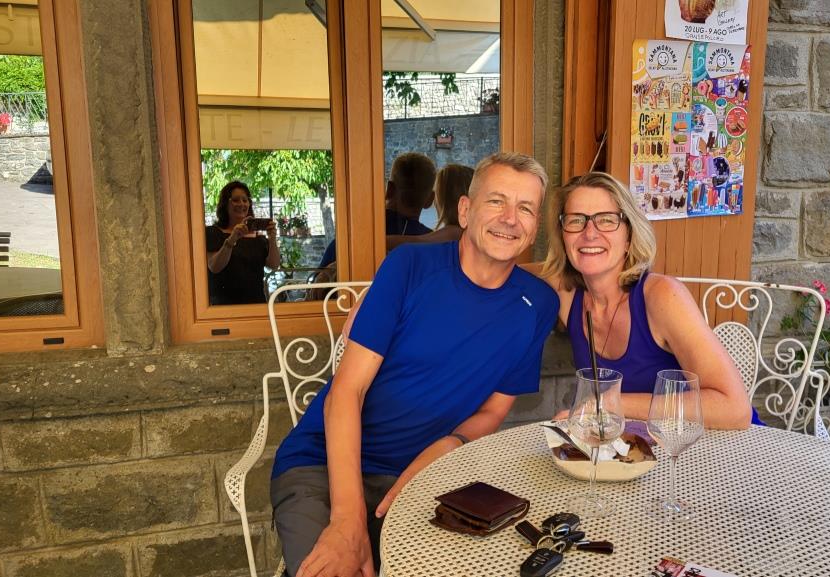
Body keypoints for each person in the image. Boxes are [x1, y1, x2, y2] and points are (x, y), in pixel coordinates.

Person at [271, 152, 559, 577]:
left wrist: (450, 444)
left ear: (535, 226)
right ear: (465, 210)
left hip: (427, 475)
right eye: (497, 201)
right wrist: (348, 521)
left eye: (526, 208)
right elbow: (346, 392)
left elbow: (494, 410)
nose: (510, 219)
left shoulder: (538, 304)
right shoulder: (408, 268)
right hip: (323, 463)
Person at [541, 171, 754, 428]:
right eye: (576, 220)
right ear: (563, 236)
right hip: (638, 446)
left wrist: (609, 404)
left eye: (607, 220)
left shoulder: (662, 295)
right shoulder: (566, 293)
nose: (589, 233)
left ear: (629, 237)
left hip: (716, 441)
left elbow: (735, 409)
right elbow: (507, 272)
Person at [317, 153, 437, 269]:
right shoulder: (435, 245)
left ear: (389, 189)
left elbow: (319, 281)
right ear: (430, 199)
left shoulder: (352, 238)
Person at [206, 181, 280, 305]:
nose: (241, 204)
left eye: (245, 200)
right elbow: (214, 267)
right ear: (225, 204)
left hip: (256, 306)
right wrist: (232, 239)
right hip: (224, 307)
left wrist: (272, 238)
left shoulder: (258, 238)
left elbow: (274, 265)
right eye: (235, 200)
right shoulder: (213, 233)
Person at [386, 163, 473, 250]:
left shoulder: (455, 233)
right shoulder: (464, 232)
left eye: (438, 195)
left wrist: (382, 241)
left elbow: (417, 242)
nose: (435, 202)